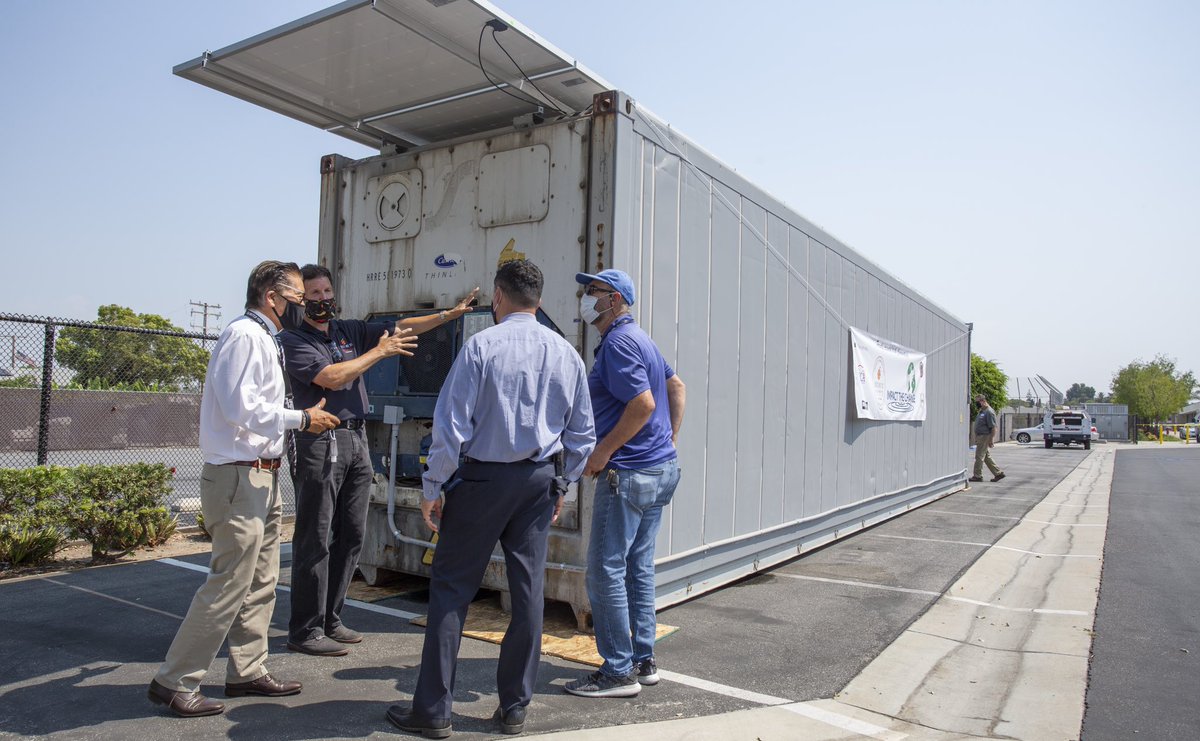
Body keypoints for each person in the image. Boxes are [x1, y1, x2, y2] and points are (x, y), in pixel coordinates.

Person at [386, 259, 596, 738]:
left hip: (480, 482)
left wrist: (433, 488)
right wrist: (562, 484)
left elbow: (450, 425)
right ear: (538, 300)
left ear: (498, 297)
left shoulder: (481, 346)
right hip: (538, 483)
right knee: (527, 593)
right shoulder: (566, 354)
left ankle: (434, 712)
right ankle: (514, 709)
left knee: (452, 592)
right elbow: (583, 435)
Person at [148, 260, 340, 717]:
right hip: (238, 475)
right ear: (271, 297)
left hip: (262, 473)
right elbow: (240, 407)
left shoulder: (266, 339)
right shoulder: (244, 336)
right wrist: (302, 419)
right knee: (229, 584)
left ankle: (248, 671)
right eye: (298, 297)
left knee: (261, 581)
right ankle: (174, 681)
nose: (306, 304)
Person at [279, 264, 479, 657]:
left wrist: (447, 316)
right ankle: (304, 629)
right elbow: (332, 377)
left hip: (355, 437)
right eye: (313, 295)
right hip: (319, 440)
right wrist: (379, 353)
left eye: (326, 292)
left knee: (352, 535)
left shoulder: (347, 330)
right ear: (301, 301)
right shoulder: (293, 340)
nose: (322, 300)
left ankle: (331, 618)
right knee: (314, 538)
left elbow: (403, 328)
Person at [563, 269, 686, 699]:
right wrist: (668, 437)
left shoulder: (617, 343)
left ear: (613, 299)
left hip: (628, 473)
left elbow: (643, 403)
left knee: (605, 571)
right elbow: (676, 385)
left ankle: (617, 672)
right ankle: (643, 660)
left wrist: (603, 452)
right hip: (659, 470)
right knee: (637, 566)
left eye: (591, 291)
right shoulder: (641, 339)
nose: (584, 296)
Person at [971, 394, 1005, 483]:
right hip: (980, 436)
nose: (976, 404)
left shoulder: (989, 412)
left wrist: (991, 439)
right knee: (986, 457)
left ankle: (977, 476)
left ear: (982, 401)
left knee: (979, 456)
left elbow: (993, 427)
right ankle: (998, 473)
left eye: (977, 402)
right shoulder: (982, 411)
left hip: (984, 436)